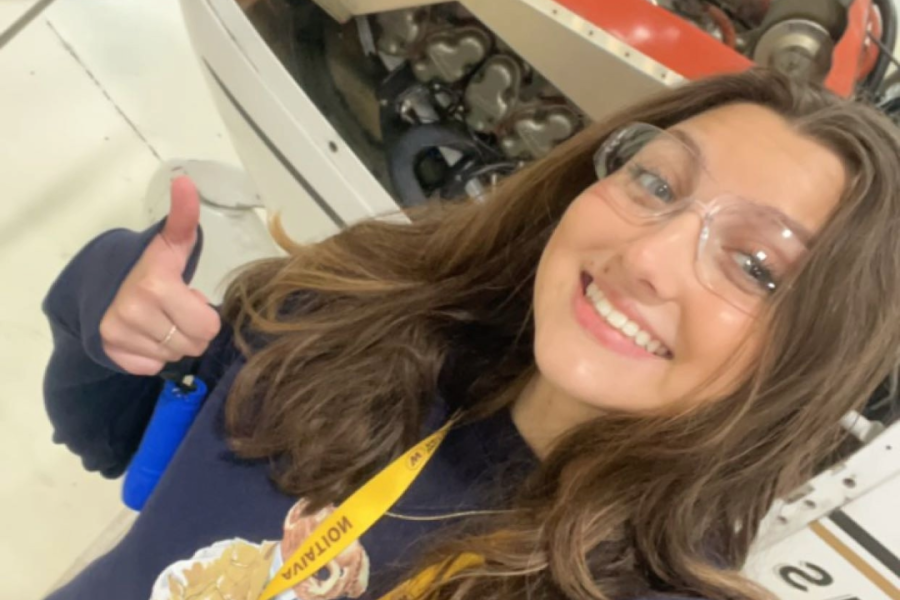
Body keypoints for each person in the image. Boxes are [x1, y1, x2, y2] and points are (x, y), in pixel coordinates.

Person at [42, 68, 900, 600]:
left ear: (813, 360)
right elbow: (113, 439)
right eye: (656, 183)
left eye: (755, 267)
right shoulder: (355, 315)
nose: (648, 254)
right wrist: (102, 308)